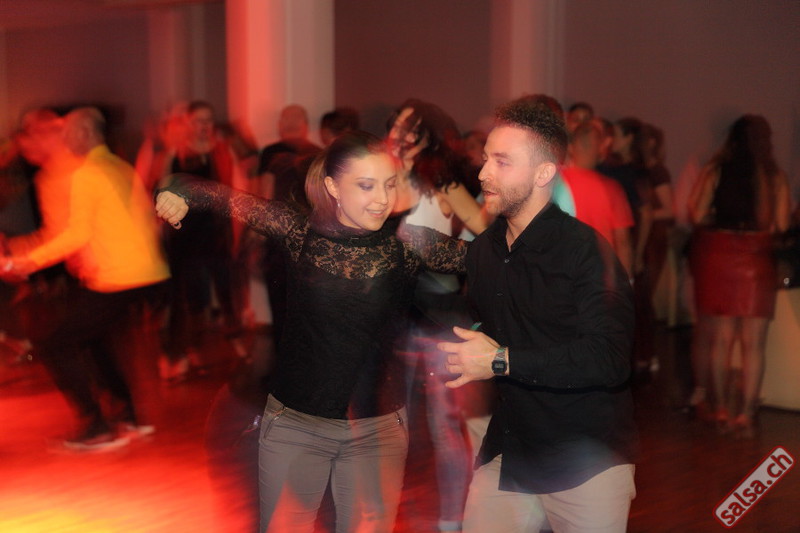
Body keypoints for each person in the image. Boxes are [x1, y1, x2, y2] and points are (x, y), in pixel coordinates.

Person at [155, 131, 468, 532]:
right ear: (333, 187)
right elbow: (215, 194)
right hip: (296, 426)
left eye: (389, 184)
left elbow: (488, 261)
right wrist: (173, 192)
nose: (381, 199)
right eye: (366, 185)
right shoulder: (299, 232)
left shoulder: (407, 244)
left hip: (377, 431)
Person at [439, 96, 638, 533]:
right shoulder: (486, 249)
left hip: (585, 461)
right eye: (486, 158)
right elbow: (482, 324)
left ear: (544, 173)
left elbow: (609, 357)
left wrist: (499, 360)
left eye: (502, 162)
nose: (483, 173)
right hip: (511, 451)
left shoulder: (586, 251)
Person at [0, 107, 170, 451]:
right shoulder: (118, 165)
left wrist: (26, 260)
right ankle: (128, 419)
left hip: (119, 275)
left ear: (82, 135)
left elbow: (75, 233)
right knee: (94, 340)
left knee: (53, 343)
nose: (63, 139)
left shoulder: (86, 173)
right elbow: (133, 218)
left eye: (66, 133)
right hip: (142, 273)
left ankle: (97, 426)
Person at [687, 114, 791, 438]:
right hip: (756, 255)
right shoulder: (773, 175)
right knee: (753, 344)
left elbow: (696, 212)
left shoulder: (716, 169)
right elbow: (782, 224)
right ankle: (745, 413)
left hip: (720, 252)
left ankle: (720, 408)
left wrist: (718, 214)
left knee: (721, 339)